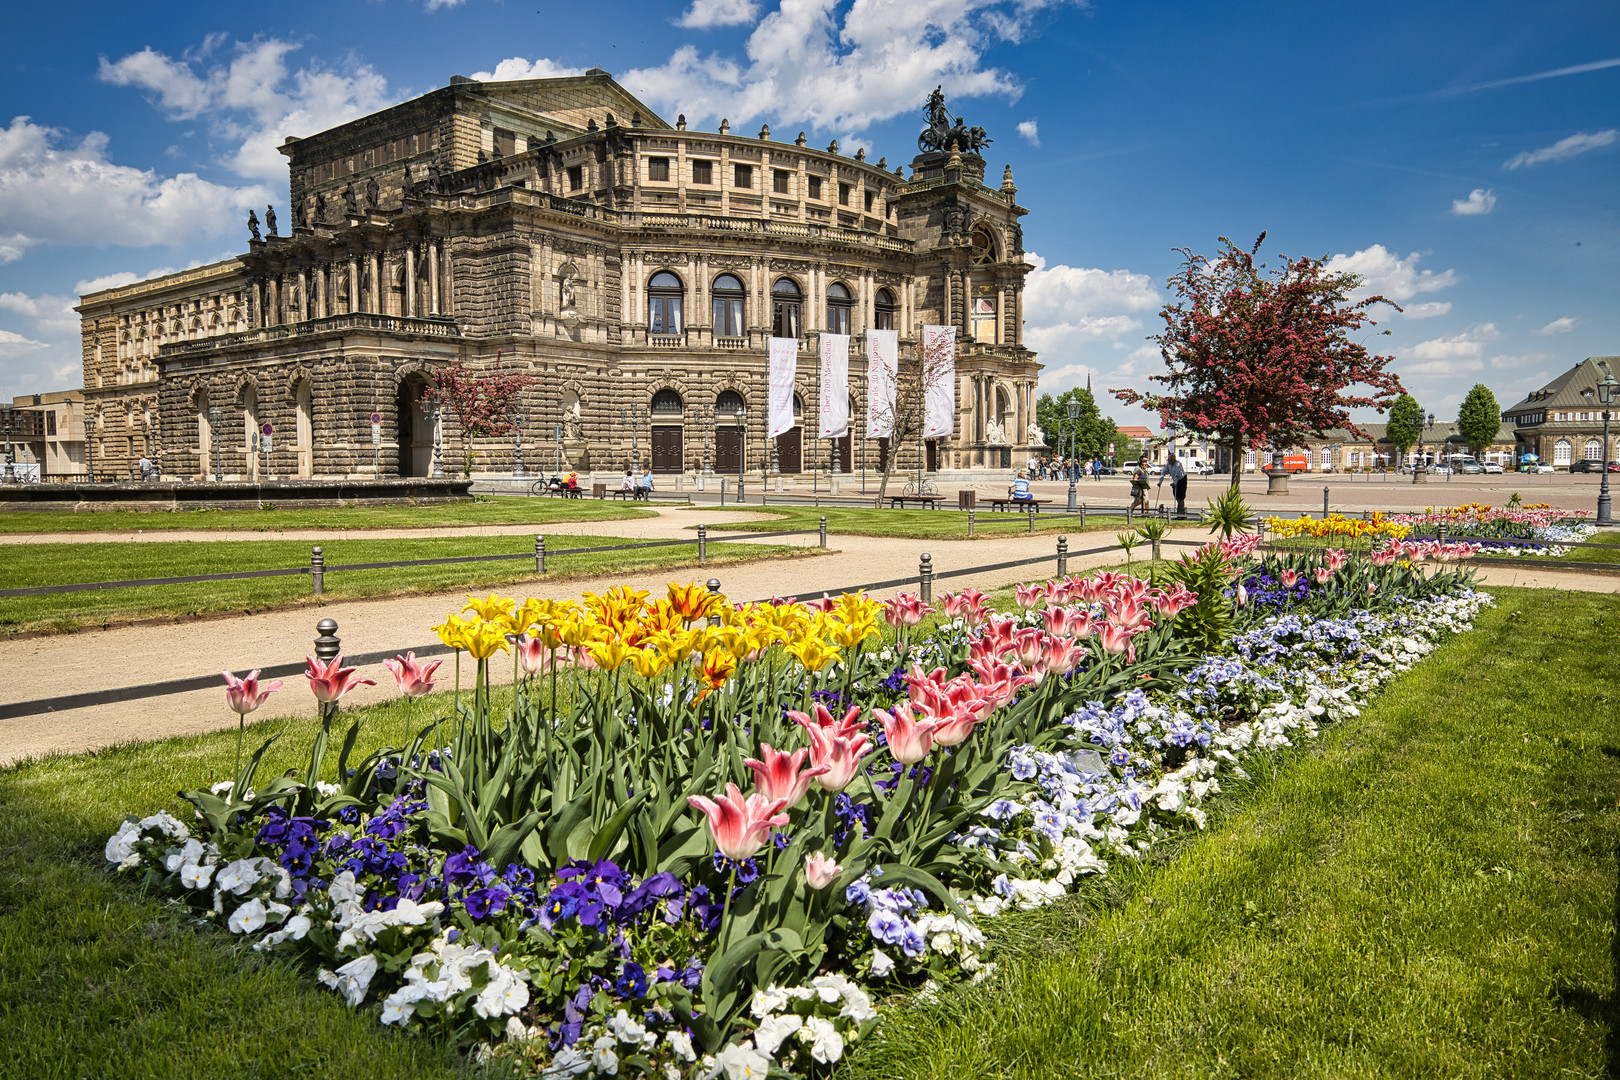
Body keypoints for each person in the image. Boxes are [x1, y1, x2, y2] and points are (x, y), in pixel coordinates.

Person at [1158, 451, 1188, 517]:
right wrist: (1160, 482)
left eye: (1170, 460)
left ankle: (1181, 514)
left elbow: (1177, 475)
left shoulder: (1178, 464)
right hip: (1175, 480)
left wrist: (1174, 483)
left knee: (1180, 497)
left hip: (1181, 480)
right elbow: (1163, 473)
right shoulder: (1168, 464)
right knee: (1176, 496)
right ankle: (1180, 512)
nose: (1168, 461)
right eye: (1168, 460)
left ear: (1173, 459)